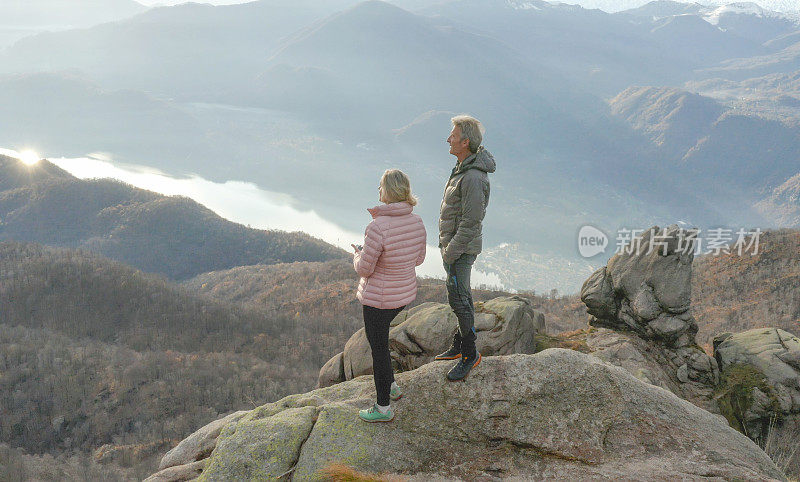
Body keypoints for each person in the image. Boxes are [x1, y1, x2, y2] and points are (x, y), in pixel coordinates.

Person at [352, 169, 427, 422]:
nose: (378, 190)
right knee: (382, 347)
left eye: (381, 186)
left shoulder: (377, 227)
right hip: (402, 297)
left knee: (379, 351)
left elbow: (365, 268)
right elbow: (419, 259)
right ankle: (392, 387)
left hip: (378, 302)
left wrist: (357, 254)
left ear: (389, 191)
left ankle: (383, 408)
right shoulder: (417, 222)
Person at [434, 115, 496, 381]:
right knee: (460, 295)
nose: (448, 139)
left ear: (465, 141)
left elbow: (471, 221)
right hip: (456, 247)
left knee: (459, 298)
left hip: (460, 249)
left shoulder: (471, 176)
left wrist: (450, 251)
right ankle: (460, 345)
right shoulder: (462, 167)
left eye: (453, 135)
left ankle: (470, 355)